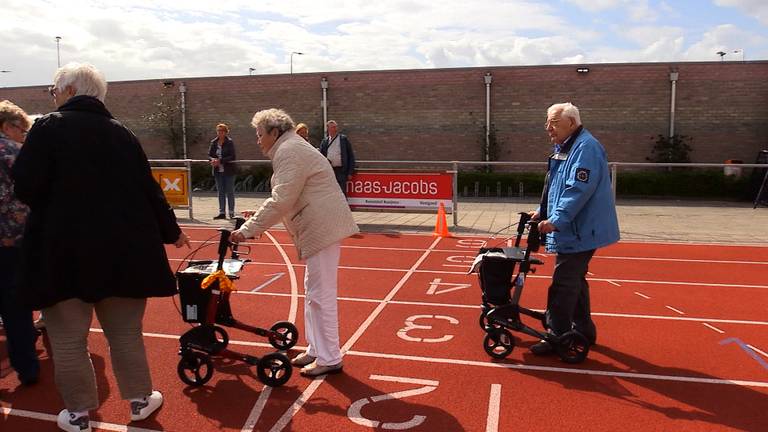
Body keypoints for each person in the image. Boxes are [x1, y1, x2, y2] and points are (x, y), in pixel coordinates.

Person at [12, 63, 191, 432]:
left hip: (62, 254)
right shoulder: (122, 133)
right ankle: (141, 400)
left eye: (53, 89)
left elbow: (25, 186)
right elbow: (150, 189)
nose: (52, 95)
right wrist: (172, 231)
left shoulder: (49, 127)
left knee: (67, 339)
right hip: (124, 254)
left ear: (69, 89)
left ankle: (78, 416)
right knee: (125, 334)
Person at [230, 108, 358, 377]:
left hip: (322, 228)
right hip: (319, 227)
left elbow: (282, 198)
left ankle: (330, 356)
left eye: (260, 134)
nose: (258, 140)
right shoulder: (291, 147)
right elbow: (288, 196)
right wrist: (258, 217)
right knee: (313, 293)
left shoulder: (289, 150)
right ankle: (317, 349)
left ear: (275, 132)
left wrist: (249, 229)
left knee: (321, 296)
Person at [529, 102, 619, 356]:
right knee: (574, 280)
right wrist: (543, 211)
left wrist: (556, 219)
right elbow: (557, 184)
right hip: (578, 227)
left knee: (563, 283)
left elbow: (577, 190)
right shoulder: (568, 146)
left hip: (581, 228)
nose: (548, 128)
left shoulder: (585, 148)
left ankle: (557, 335)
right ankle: (584, 330)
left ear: (572, 122)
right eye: (547, 122)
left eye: (554, 123)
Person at [0, 100, 40, 387]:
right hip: (13, 238)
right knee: (16, 308)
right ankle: (27, 368)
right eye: (21, 129)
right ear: (7, 126)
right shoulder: (17, 154)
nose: (24, 134)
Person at [208, 122, 237, 219]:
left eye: (221, 131)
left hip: (229, 171)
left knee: (230, 192)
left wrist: (220, 161)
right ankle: (222, 212)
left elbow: (232, 156)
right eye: (218, 131)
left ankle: (231, 212)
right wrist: (212, 160)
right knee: (220, 191)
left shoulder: (229, 142)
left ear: (225, 132)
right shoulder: (214, 142)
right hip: (217, 171)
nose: (219, 133)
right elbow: (210, 154)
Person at [319, 120, 356, 195]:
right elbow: (321, 156)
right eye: (333, 127)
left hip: (341, 171)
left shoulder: (343, 139)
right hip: (329, 170)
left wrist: (350, 172)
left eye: (336, 127)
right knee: (330, 192)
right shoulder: (325, 141)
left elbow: (350, 156)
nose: (335, 129)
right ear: (328, 129)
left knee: (342, 192)